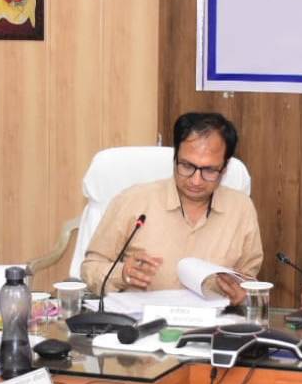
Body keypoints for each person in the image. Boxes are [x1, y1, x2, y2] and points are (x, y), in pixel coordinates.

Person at [79, 112, 263, 304]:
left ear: (224, 169)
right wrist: (122, 273)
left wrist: (244, 296)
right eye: (187, 166)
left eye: (209, 170)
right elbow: (90, 268)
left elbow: (248, 282)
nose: (196, 180)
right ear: (175, 158)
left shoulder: (241, 209)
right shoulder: (132, 201)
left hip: (212, 320)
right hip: (140, 319)